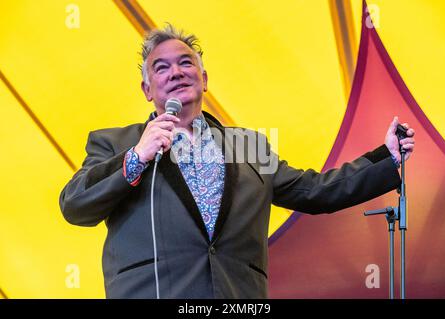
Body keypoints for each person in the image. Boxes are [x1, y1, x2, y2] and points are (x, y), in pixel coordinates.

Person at [59, 24, 416, 299]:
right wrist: (137, 156)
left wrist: (386, 157)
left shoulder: (248, 146)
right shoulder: (114, 142)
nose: (176, 72)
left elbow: (315, 191)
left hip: (236, 295)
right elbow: (75, 205)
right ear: (147, 90)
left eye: (187, 63)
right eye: (161, 68)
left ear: (204, 79)